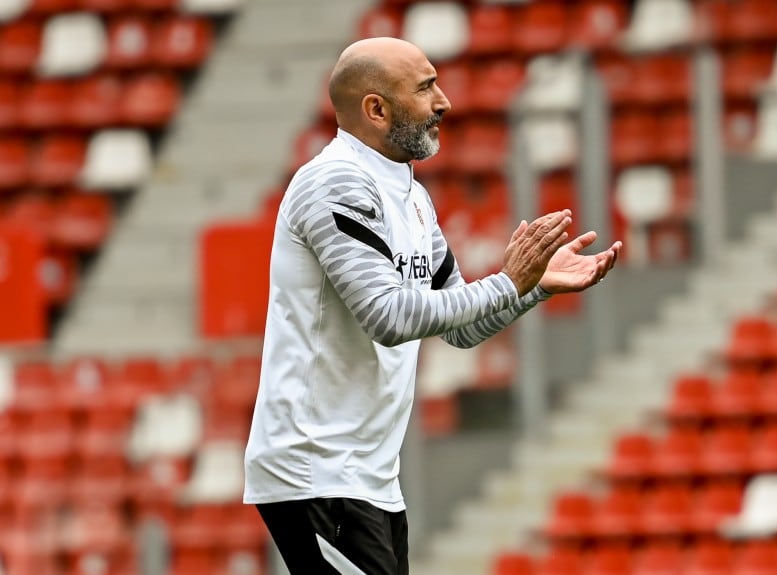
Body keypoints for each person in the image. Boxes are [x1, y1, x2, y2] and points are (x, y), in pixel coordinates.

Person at [243, 37, 622, 575]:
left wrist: (534, 286)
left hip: (369, 474)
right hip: (316, 468)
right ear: (376, 108)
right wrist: (507, 283)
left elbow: (459, 326)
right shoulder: (336, 183)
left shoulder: (411, 196)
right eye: (425, 88)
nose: (443, 101)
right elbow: (389, 317)